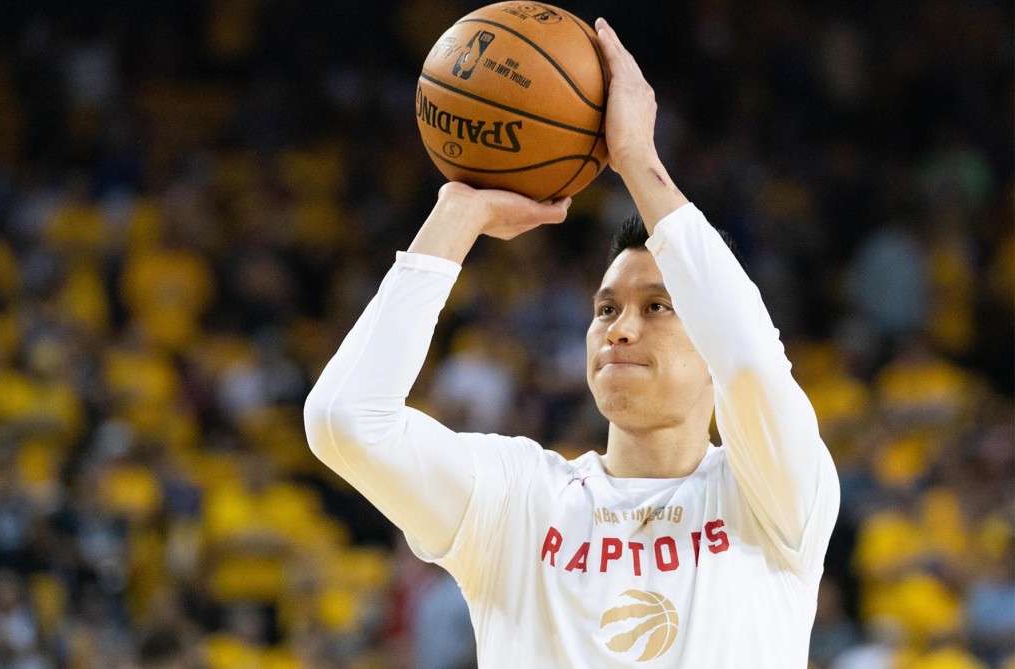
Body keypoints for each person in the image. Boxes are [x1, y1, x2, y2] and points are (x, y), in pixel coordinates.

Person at [304, 17, 840, 668]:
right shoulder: (517, 498)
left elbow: (753, 361)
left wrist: (639, 162)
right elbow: (343, 420)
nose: (621, 326)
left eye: (658, 306)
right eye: (606, 307)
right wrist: (457, 212)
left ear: (709, 334)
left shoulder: (775, 496)